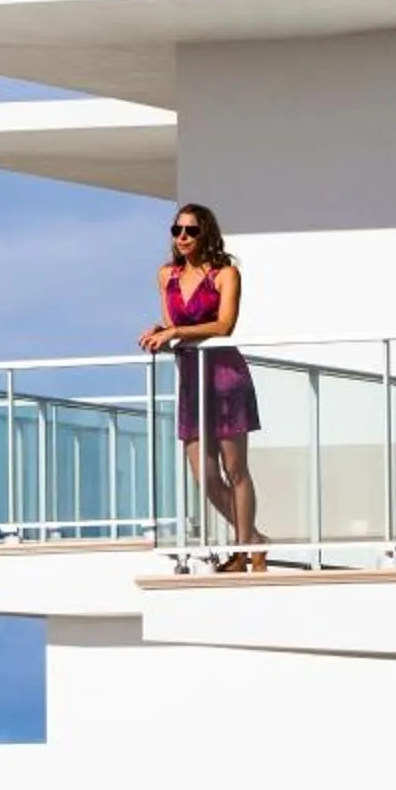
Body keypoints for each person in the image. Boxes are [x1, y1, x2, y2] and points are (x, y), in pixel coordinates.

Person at [140, 203, 264, 570]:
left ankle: (243, 552)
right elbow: (172, 321)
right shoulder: (167, 276)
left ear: (205, 233)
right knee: (205, 477)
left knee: (235, 469)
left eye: (191, 231)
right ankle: (254, 541)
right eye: (177, 230)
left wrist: (177, 331)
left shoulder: (226, 274)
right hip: (192, 378)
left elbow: (224, 325)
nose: (182, 237)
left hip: (225, 375)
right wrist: (162, 331)